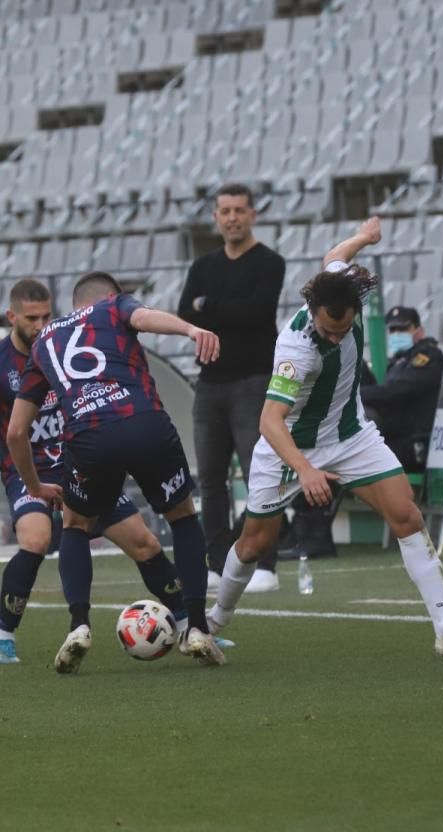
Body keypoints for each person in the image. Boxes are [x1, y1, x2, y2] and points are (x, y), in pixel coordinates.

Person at [207, 218, 443, 658]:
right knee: (255, 543)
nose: (336, 336)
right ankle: (212, 624)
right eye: (329, 330)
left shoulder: (344, 290)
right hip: (290, 445)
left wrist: (364, 237)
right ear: (314, 312)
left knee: (406, 515)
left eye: (344, 330)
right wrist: (305, 470)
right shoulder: (296, 347)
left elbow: (335, 258)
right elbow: (269, 420)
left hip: (350, 435)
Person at [0, 278, 206, 665]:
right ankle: (3, 638)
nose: (40, 323)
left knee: (145, 543)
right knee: (36, 537)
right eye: (32, 317)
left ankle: (186, 624)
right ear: (12, 317)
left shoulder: (66, 345)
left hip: (80, 464)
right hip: (29, 473)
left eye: (47, 314)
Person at [7, 271, 226, 672]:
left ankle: (78, 626)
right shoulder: (113, 307)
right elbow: (144, 318)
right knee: (181, 517)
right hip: (143, 422)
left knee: (75, 525)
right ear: (111, 297)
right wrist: (190, 329)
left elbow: (16, 431)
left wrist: (36, 485)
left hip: (90, 437)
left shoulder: (43, 342)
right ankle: (196, 627)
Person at [178, 182, 286, 592]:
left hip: (254, 381)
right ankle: (216, 563)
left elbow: (257, 313)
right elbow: (186, 312)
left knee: (260, 474)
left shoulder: (270, 263)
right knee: (210, 479)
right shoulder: (202, 267)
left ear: (253, 214)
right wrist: (207, 311)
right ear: (216, 217)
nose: (232, 217)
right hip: (210, 383)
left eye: (240, 210)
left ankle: (265, 566)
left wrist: (211, 308)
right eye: (225, 211)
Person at [361, 306, 443, 473]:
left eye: (403, 328)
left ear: (419, 331)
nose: (397, 333)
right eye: (393, 329)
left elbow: (392, 392)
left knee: (357, 459)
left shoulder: (429, 357)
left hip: (416, 444)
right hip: (394, 437)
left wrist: (354, 395)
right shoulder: (399, 361)